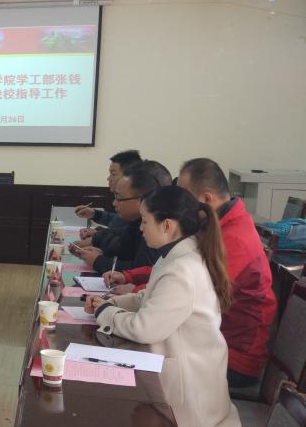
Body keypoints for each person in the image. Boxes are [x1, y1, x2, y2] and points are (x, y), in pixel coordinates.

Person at [106, 158, 277, 389]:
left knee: (126, 367)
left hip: (230, 357)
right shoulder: (215, 226)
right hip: (197, 342)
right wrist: (131, 277)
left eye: (185, 197)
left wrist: (126, 298)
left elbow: (181, 288)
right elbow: (173, 268)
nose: (179, 203)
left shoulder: (235, 240)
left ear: (206, 199)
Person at [90, 185, 241, 427]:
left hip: (190, 394)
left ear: (167, 225)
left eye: (145, 221)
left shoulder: (182, 270)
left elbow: (144, 329)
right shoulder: (176, 257)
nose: (141, 228)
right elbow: (148, 298)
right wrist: (113, 302)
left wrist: (105, 312)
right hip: (183, 371)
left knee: (108, 410)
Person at [76, 160, 171, 273]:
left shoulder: (155, 226)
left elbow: (142, 270)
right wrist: (102, 253)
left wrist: (99, 261)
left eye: (119, 198)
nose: (114, 203)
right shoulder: (136, 221)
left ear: (142, 199)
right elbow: (123, 249)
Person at [76, 149, 141, 240]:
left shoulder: (133, 201)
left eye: (113, 174)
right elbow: (118, 222)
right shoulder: (125, 199)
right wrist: (95, 214)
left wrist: (99, 235)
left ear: (129, 177)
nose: (108, 178)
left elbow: (124, 239)